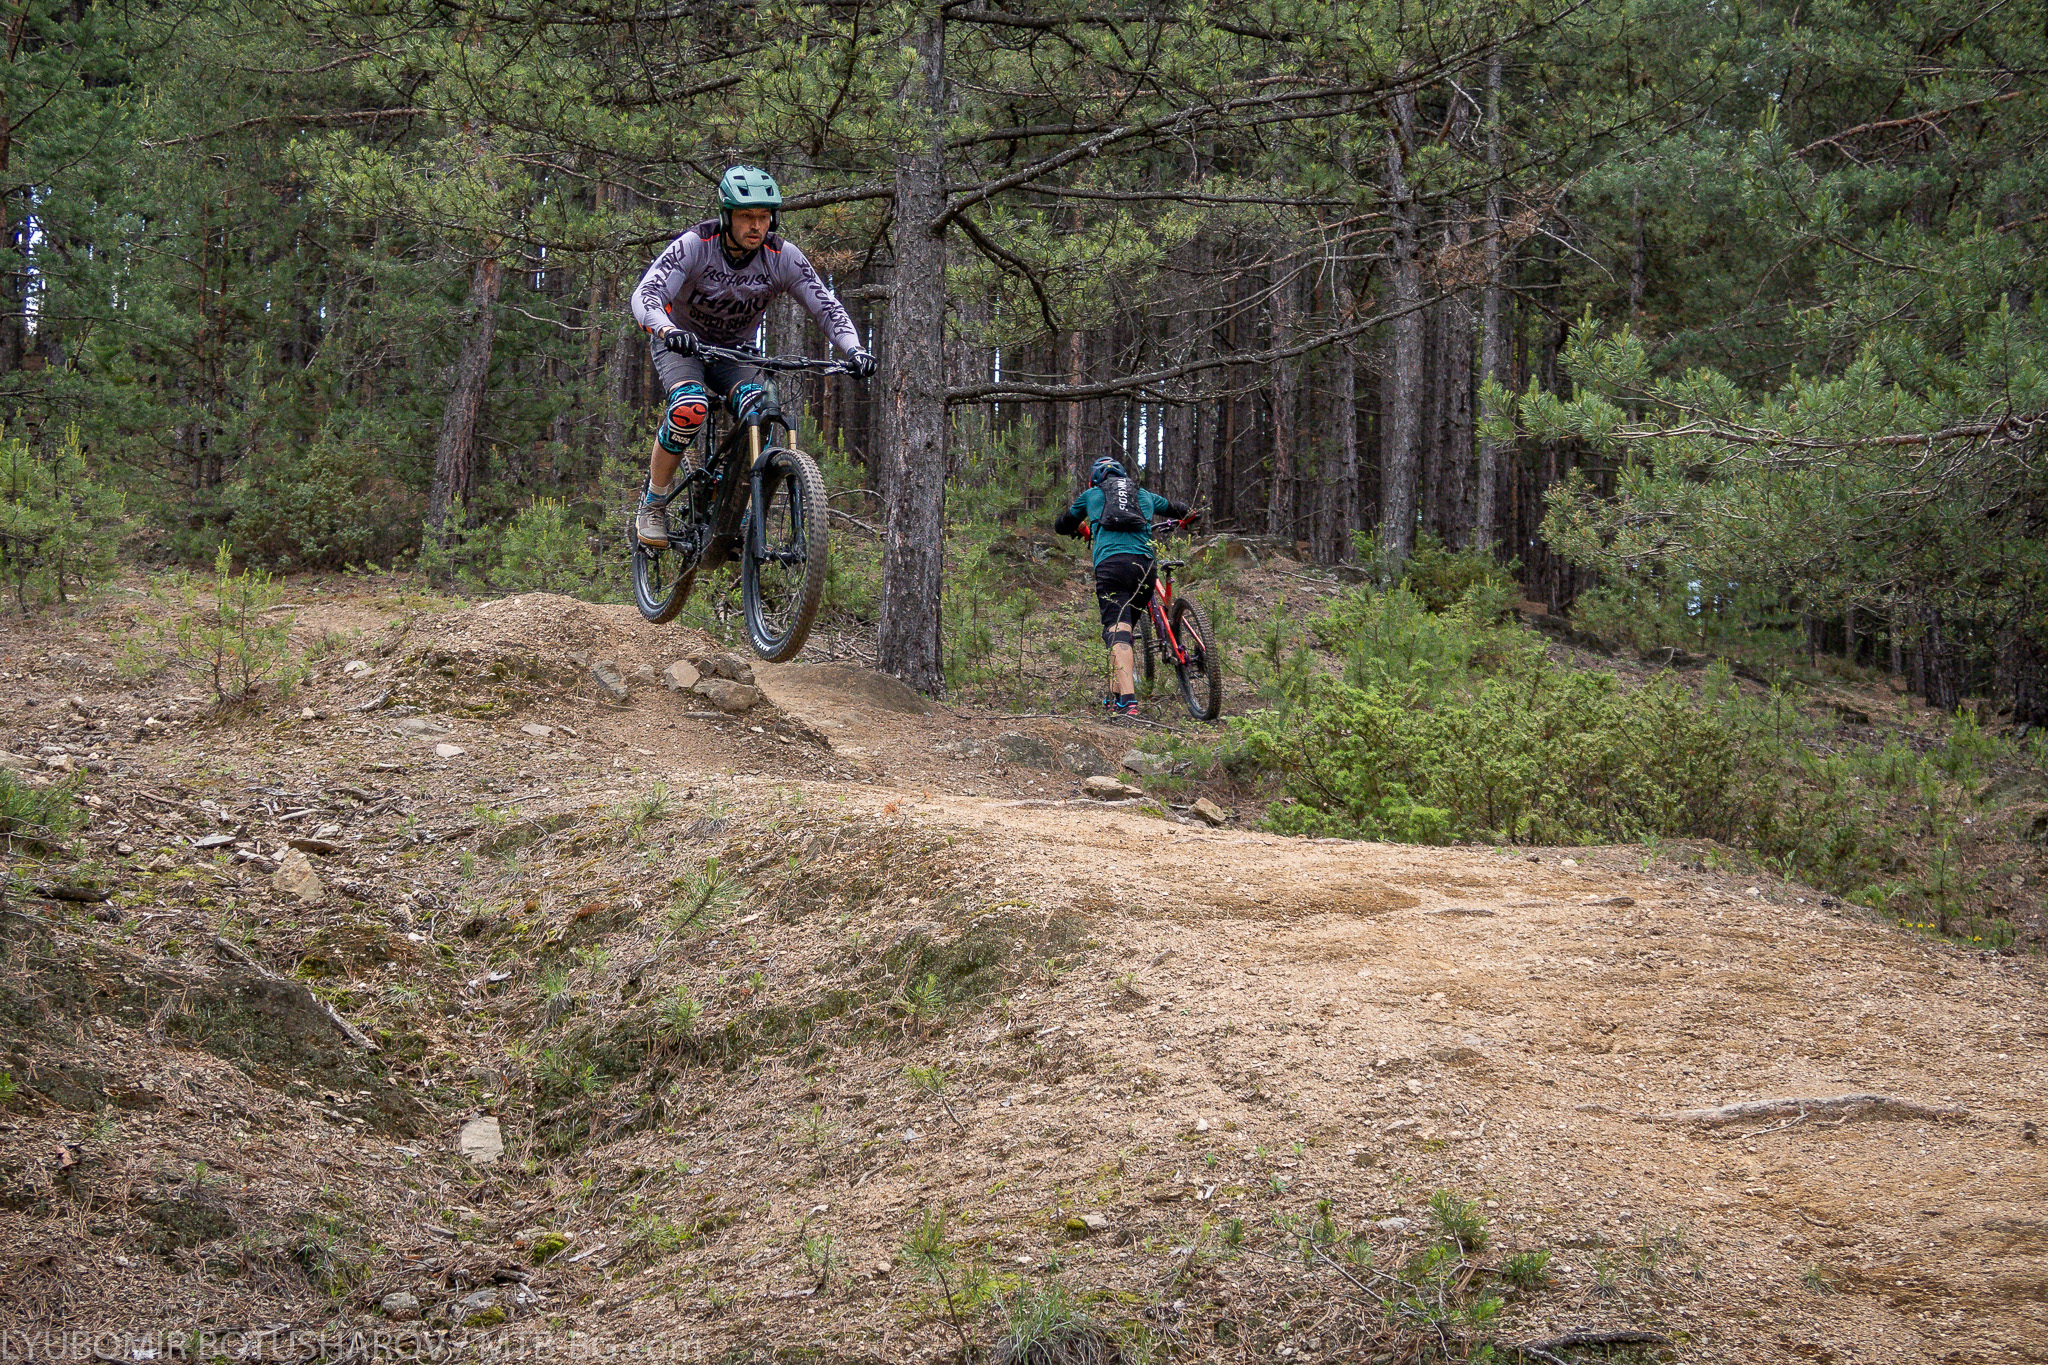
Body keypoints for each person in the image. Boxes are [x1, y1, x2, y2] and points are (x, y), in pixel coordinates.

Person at [629, 165, 875, 548]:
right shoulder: (695, 245)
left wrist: (855, 349)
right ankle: (654, 502)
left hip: (736, 352)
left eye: (764, 216)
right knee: (690, 408)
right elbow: (646, 294)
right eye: (746, 216)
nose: (756, 225)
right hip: (682, 344)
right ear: (727, 215)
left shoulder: (782, 256)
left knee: (760, 411)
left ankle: (734, 502)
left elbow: (826, 306)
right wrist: (666, 329)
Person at [1055, 457, 1192, 718]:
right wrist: (1188, 518)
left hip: (1112, 567)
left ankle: (1128, 703)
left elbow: (1062, 525)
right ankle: (1114, 696)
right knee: (1121, 634)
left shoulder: (1091, 495)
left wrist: (1079, 527)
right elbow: (1180, 509)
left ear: (1095, 479)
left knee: (1119, 632)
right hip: (1145, 569)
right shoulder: (1143, 494)